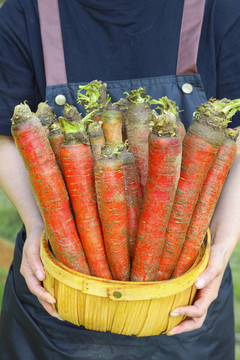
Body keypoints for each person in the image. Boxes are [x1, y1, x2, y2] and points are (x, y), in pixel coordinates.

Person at [0, 0, 240, 359]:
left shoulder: (220, 8)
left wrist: (221, 249)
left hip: (188, 298)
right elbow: (6, 135)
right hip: (57, 296)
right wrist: (37, 226)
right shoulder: (26, 12)